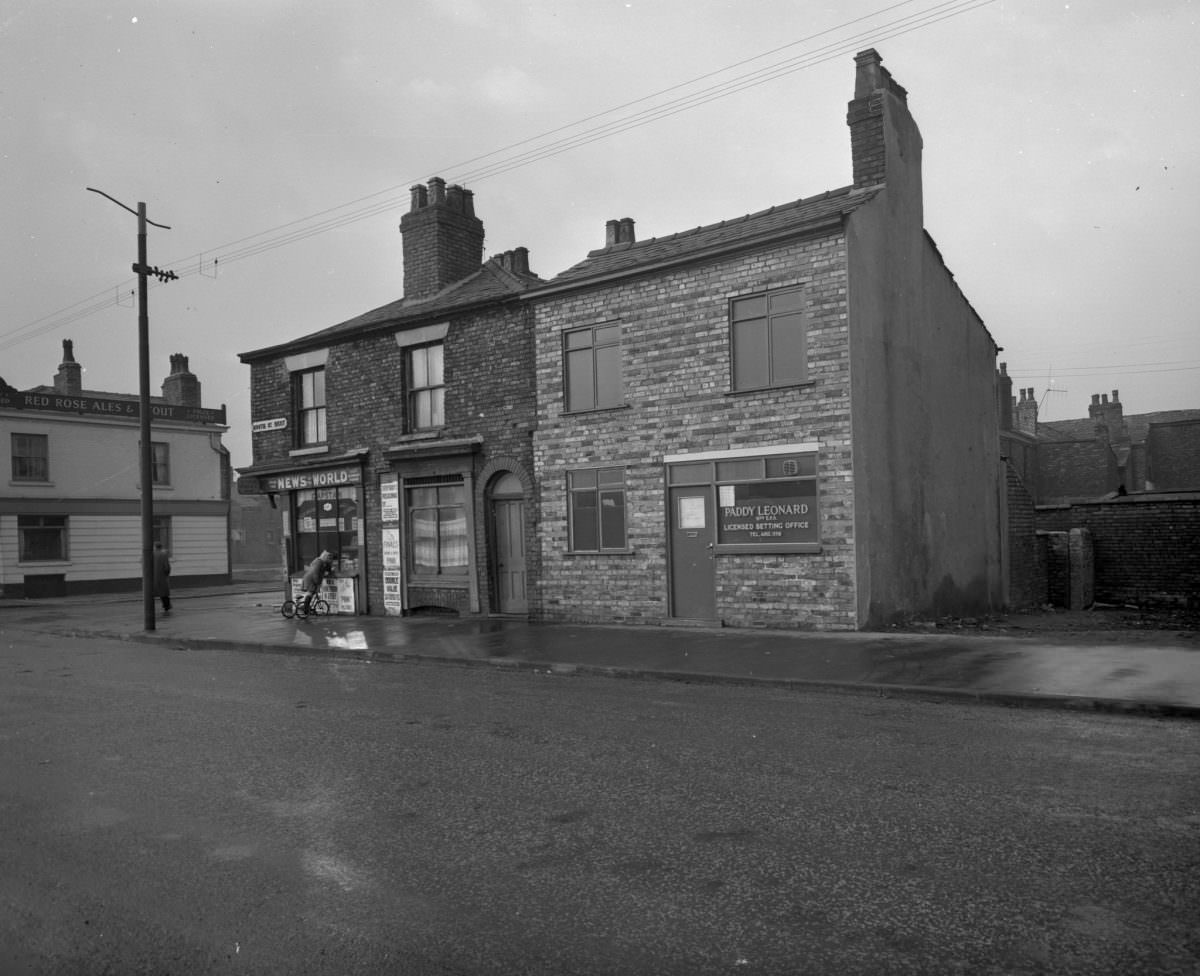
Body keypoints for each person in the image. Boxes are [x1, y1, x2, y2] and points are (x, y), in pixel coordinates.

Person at [152, 542, 172, 613]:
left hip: (152, 577)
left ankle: (150, 608)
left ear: (155, 547)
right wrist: (167, 574)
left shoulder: (151, 554)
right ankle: (166, 606)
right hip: (162, 576)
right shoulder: (163, 554)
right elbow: (167, 567)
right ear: (161, 547)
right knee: (164, 593)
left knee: (151, 593)